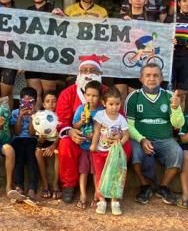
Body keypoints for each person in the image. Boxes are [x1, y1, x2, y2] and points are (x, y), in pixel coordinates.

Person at [126, 62, 185, 205]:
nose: (152, 78)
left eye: (155, 75)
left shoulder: (169, 96)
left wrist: (176, 108)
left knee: (177, 152)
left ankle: (163, 187)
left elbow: (178, 124)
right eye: (148, 75)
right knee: (134, 152)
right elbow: (129, 125)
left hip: (164, 139)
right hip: (141, 139)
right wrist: (141, 140)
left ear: (161, 78)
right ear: (141, 78)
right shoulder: (133, 97)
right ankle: (145, 185)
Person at [55, 56, 108, 204]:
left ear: (100, 74)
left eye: (93, 70)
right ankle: (69, 185)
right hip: (78, 137)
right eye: (84, 70)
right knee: (66, 144)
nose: (88, 74)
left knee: (121, 146)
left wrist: (101, 134)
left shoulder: (107, 92)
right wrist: (70, 131)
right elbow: (61, 120)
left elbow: (116, 116)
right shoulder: (68, 93)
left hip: (100, 138)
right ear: (78, 73)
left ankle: (108, 186)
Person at [90, 86, 131, 215]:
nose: (114, 107)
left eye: (117, 104)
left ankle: (114, 201)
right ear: (104, 103)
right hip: (99, 152)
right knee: (99, 175)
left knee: (115, 175)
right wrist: (93, 145)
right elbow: (96, 131)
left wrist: (119, 143)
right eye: (111, 104)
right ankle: (101, 200)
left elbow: (126, 135)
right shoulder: (100, 115)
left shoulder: (121, 119)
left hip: (113, 153)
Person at [24, 0, 64, 101]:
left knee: (49, 94)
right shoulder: (28, 10)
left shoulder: (53, 10)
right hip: (32, 57)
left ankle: (49, 115)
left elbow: (67, 29)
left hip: (49, 57)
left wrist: (62, 16)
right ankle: (36, 114)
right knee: (34, 94)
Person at [116, 0, 157, 99]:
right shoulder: (120, 18)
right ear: (130, 0)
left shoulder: (151, 19)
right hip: (122, 59)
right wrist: (123, 24)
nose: (138, 0)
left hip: (140, 62)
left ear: (146, 0)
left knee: (133, 94)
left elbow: (157, 36)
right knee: (120, 93)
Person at [71, 80, 102, 209]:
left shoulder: (101, 111)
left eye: (95, 96)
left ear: (100, 97)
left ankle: (96, 194)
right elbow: (74, 125)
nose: (91, 98)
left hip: (97, 148)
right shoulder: (81, 109)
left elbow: (105, 128)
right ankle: (83, 195)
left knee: (96, 172)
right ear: (84, 95)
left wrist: (95, 134)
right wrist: (82, 121)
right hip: (84, 147)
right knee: (83, 171)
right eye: (88, 95)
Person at [7, 86, 41, 203]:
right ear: (20, 101)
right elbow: (17, 132)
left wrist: (32, 118)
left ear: (35, 103)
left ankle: (32, 189)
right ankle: (19, 188)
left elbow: (32, 133)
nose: (27, 105)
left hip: (32, 139)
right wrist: (20, 117)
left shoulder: (38, 114)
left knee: (32, 160)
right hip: (18, 139)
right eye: (24, 102)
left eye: (30, 102)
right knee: (19, 160)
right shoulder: (15, 113)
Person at [36, 90, 61, 199]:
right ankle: (45, 183)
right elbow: (39, 141)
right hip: (45, 140)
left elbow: (61, 134)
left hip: (57, 141)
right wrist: (41, 139)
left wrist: (53, 146)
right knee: (38, 152)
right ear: (43, 104)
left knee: (58, 153)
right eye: (47, 101)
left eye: (54, 101)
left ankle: (55, 184)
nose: (51, 104)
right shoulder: (40, 116)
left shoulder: (60, 116)